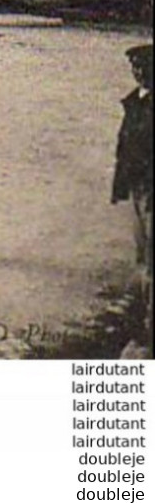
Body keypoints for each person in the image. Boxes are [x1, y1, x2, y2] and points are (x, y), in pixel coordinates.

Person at [113, 43, 153, 348]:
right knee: (142, 253)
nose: (139, 74)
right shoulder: (136, 101)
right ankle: (143, 317)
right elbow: (125, 146)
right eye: (135, 68)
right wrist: (121, 184)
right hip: (139, 187)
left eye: (145, 68)